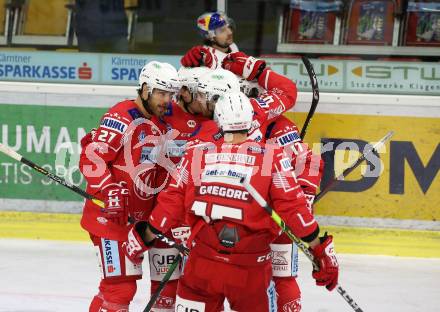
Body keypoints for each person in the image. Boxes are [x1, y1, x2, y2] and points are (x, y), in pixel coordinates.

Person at [122, 92, 339, 311]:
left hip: (201, 266)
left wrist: (144, 236)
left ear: (219, 120)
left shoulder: (196, 156)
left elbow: (170, 204)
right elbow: (295, 211)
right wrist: (320, 250)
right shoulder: (273, 158)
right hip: (250, 270)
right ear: (250, 120)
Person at [78, 61, 179, 312]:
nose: (167, 100)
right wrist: (109, 189)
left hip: (138, 221)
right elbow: (92, 158)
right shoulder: (120, 117)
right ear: (145, 89)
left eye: (171, 94)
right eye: (161, 93)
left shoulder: (161, 122)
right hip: (110, 218)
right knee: (119, 289)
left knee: (114, 288)